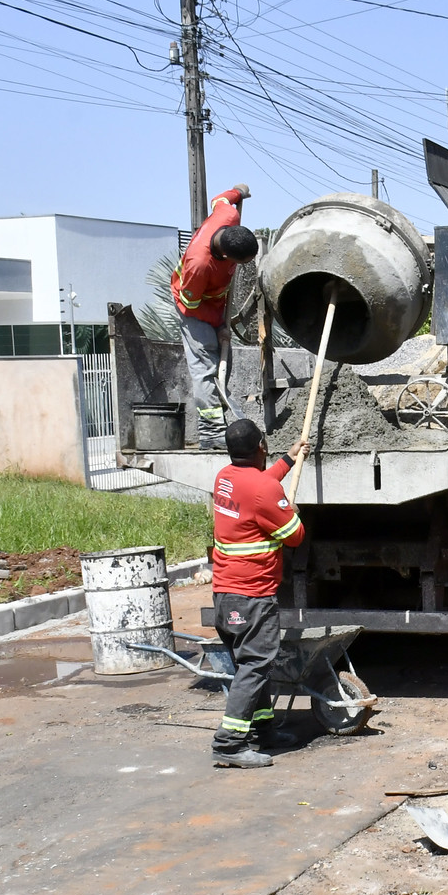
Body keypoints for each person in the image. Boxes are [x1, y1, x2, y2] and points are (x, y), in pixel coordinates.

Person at [209, 418, 307, 768]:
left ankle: (261, 730)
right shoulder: (264, 490)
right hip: (252, 596)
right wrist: (292, 513)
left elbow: (258, 486)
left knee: (252, 665)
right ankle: (229, 744)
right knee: (254, 665)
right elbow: (294, 536)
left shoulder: (224, 477)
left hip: (225, 592)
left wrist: (289, 459)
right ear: (261, 446)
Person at [173, 185, 258, 450]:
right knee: (206, 366)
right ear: (227, 256)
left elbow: (219, 199)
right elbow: (190, 306)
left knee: (223, 362)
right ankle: (210, 432)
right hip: (192, 305)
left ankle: (219, 421)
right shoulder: (199, 264)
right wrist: (218, 326)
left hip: (214, 301)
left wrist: (237, 192)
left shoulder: (228, 217)